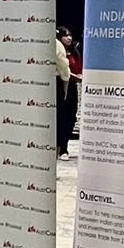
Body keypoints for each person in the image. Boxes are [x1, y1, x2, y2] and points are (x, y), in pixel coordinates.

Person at [55, 25, 79, 157]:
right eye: (65, 35)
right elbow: (62, 68)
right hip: (62, 84)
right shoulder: (57, 47)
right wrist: (69, 76)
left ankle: (63, 145)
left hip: (72, 86)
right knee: (61, 117)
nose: (69, 38)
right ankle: (61, 147)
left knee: (71, 117)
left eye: (70, 35)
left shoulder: (74, 50)